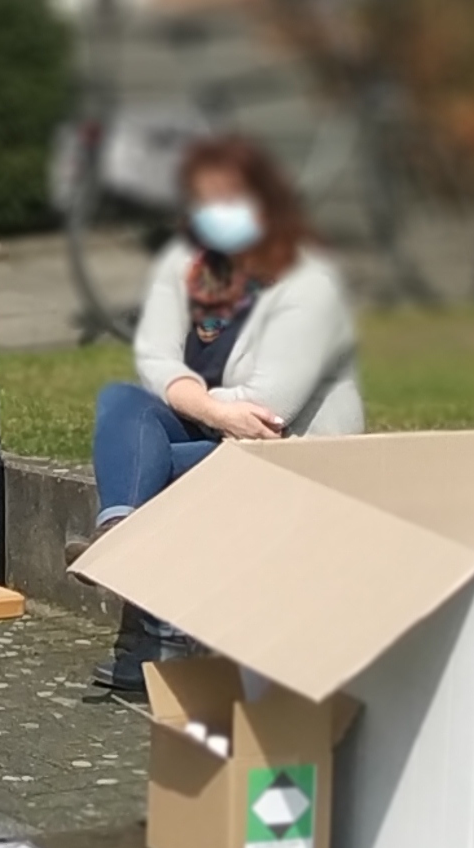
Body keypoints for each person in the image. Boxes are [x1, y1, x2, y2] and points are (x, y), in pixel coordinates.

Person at [87, 133, 366, 696]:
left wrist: (195, 401)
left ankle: (155, 620)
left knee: (156, 471)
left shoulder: (310, 281)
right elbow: (153, 358)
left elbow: (271, 405)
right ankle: (122, 531)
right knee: (120, 403)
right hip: (219, 425)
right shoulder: (187, 263)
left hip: (292, 450)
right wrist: (206, 404)